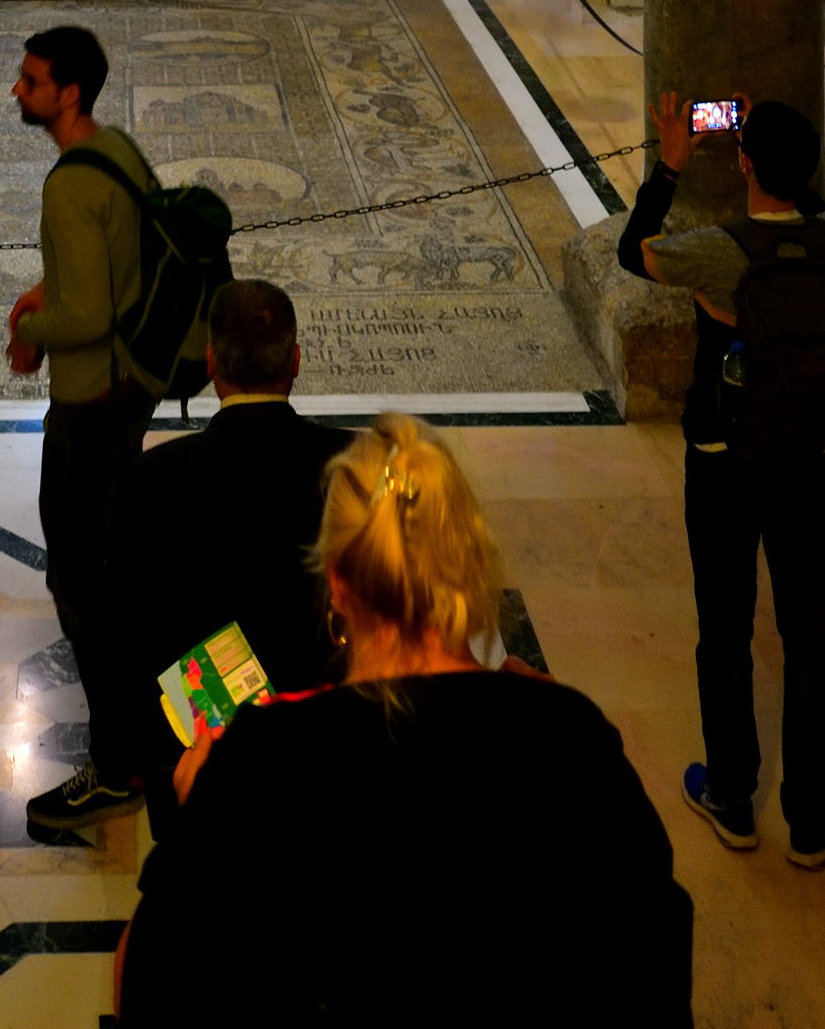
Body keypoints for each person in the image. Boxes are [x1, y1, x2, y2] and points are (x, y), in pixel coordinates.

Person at [117, 417, 691, 1027]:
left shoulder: (258, 763)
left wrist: (197, 827)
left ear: (337, 582)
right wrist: (560, 729)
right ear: (469, 563)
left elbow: (148, 994)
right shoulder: (575, 744)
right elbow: (653, 979)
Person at [620, 93, 825, 869]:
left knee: (725, 629)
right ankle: (814, 818)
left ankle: (731, 796)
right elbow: (812, 229)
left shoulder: (717, 251)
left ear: (744, 164)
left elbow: (635, 252)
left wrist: (669, 165)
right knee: (809, 637)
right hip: (805, 461)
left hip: (723, 462)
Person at [115, 279, 348, 834]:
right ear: (295, 362)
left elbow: (127, 632)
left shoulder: (151, 479)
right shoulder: (356, 465)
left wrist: (140, 749)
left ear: (212, 364)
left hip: (200, 753)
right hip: (330, 747)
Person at [6, 22, 159, 832]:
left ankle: (117, 763)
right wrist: (50, 291)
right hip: (132, 387)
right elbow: (114, 266)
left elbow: (87, 314)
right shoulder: (119, 149)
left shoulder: (69, 183)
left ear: (68, 93)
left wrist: (29, 328)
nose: (17, 90)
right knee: (119, 567)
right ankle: (143, 731)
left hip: (90, 403)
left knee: (81, 585)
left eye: (31, 81)